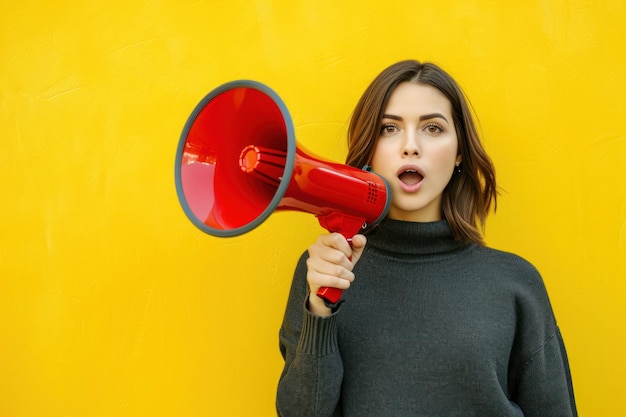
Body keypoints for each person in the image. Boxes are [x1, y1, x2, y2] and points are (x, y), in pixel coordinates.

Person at [275, 60, 577, 417]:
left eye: (433, 128)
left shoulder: (515, 283)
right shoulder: (323, 273)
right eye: (389, 128)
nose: (410, 146)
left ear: (460, 151)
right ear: (369, 148)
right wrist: (321, 310)